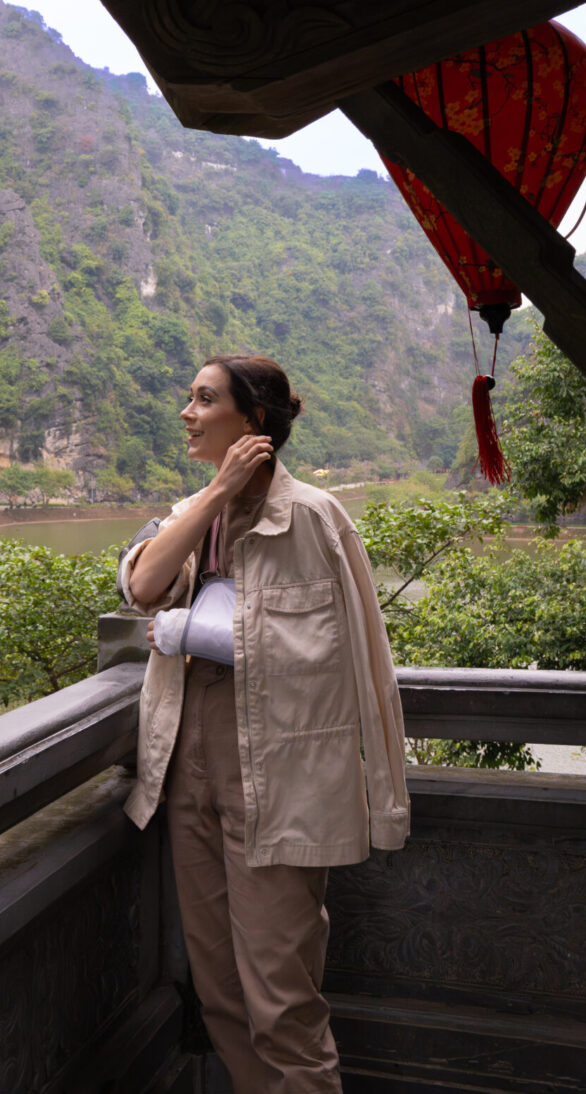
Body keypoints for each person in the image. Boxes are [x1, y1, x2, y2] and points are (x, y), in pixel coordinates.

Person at [120, 354, 409, 1094]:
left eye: (204, 399)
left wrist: (197, 632)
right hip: (190, 772)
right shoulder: (196, 512)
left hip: (279, 781)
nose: (187, 412)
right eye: (188, 397)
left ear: (251, 421)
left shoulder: (312, 517)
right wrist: (215, 493)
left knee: (283, 1000)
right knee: (218, 990)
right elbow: (144, 587)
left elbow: (349, 654)